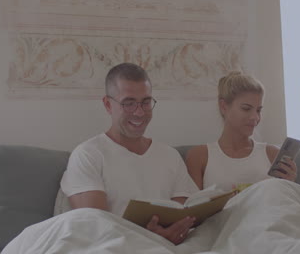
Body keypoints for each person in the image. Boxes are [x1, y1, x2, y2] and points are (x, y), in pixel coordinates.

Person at [60, 62, 199, 245]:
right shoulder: (88, 155)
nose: (139, 112)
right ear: (108, 104)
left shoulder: (170, 156)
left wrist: (172, 233)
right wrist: (152, 238)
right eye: (129, 103)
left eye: (146, 102)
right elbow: (96, 228)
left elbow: (184, 217)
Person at [186, 71, 298, 191]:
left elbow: (282, 203)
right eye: (246, 109)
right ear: (223, 106)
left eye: (258, 110)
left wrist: (289, 185)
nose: (255, 117)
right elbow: (193, 206)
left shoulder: (271, 154)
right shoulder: (199, 156)